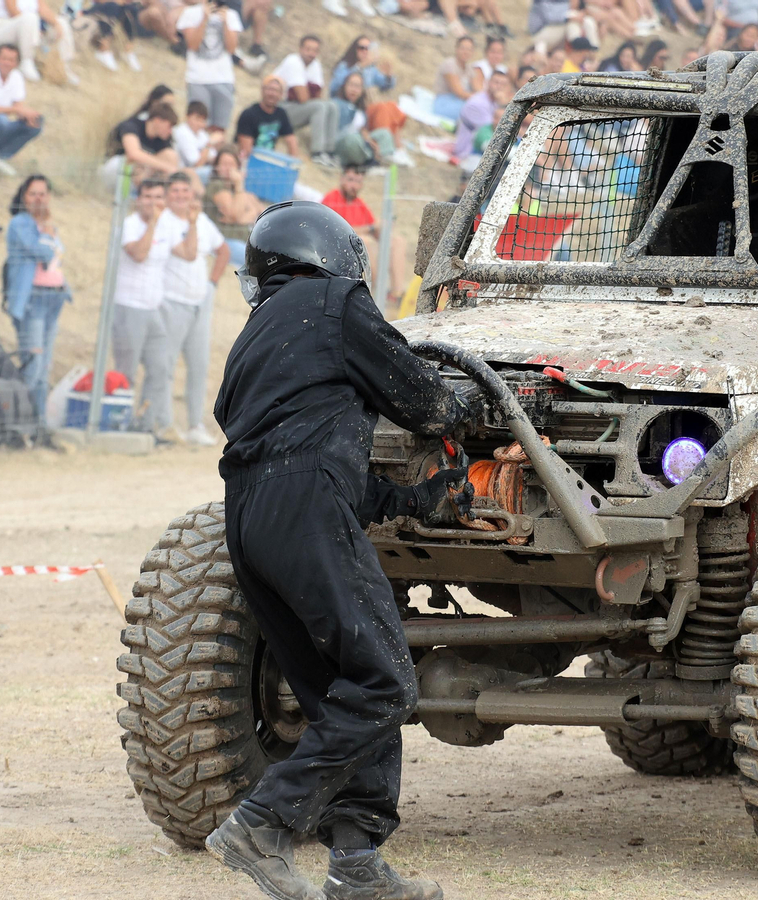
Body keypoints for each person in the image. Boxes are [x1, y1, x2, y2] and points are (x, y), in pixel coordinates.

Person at [203, 200, 478, 900]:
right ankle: (260, 823)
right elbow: (421, 398)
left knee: (342, 694)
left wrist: (417, 502)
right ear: (333, 259)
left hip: (251, 518)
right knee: (387, 683)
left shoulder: (254, 339)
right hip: (304, 508)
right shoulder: (334, 301)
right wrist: (475, 410)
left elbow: (317, 460)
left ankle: (356, 865)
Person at [158, 171, 226, 446]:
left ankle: (195, 423)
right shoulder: (163, 222)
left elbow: (222, 250)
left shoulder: (202, 220)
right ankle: (164, 422)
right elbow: (186, 252)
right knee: (166, 364)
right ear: (167, 194)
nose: (181, 197)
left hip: (200, 302)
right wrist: (194, 223)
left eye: (185, 192)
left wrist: (212, 284)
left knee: (198, 365)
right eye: (175, 191)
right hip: (172, 301)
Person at [111, 179, 174, 437]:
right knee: (127, 372)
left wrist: (192, 224)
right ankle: (119, 425)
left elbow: (188, 253)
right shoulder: (129, 225)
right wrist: (151, 224)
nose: (153, 202)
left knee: (160, 369)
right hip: (129, 306)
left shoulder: (166, 225)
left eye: (158, 196)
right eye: (148, 196)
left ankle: (145, 426)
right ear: (138, 199)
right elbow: (138, 254)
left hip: (154, 308)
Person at [5, 174, 69, 414]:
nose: (39, 199)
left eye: (43, 193)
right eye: (33, 194)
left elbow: (58, 256)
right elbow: (42, 252)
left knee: (45, 367)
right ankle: (21, 419)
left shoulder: (48, 225)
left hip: (53, 298)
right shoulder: (21, 223)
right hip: (32, 300)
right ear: (24, 197)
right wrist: (46, 229)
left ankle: (38, 423)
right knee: (33, 364)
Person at [323, 166, 409, 314]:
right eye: (350, 180)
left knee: (397, 241)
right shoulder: (331, 199)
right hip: (340, 249)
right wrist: (370, 228)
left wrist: (384, 226)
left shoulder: (359, 204)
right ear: (341, 179)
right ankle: (373, 291)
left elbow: (373, 228)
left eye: (358, 182)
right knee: (366, 241)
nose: (354, 186)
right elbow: (336, 229)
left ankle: (397, 294)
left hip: (365, 244)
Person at [0, 44, 45, 175]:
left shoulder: (17, 77)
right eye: (4, 58)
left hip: (2, 124)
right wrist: (15, 110)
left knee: (37, 121)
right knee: (0, 121)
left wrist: (26, 116)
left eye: (11, 60)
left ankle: (0, 156)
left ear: (16, 63)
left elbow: (18, 105)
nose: (7, 63)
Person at [273, 35, 340, 169]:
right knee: (319, 107)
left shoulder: (315, 65)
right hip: (279, 109)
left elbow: (318, 95)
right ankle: (318, 152)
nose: (311, 53)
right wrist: (310, 93)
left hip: (296, 107)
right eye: (308, 49)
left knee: (332, 106)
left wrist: (309, 93)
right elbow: (304, 97)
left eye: (315, 50)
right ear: (300, 49)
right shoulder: (293, 61)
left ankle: (329, 151)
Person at [178, 0, 241, 132]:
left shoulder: (231, 15)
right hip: (197, 79)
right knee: (197, 126)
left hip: (224, 79)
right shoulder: (190, 13)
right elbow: (193, 45)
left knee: (219, 128)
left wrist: (225, 23)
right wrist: (204, 19)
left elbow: (231, 49)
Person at [0, 0, 78, 85]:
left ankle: (63, 67)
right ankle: (27, 61)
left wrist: (56, 23)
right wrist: (36, 28)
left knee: (62, 22)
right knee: (30, 18)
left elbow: (43, 9)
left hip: (28, 28)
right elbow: (12, 11)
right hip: (2, 27)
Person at [204, 145, 261, 262]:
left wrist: (240, 218)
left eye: (231, 164)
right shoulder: (216, 185)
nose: (228, 168)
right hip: (226, 239)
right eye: (224, 164)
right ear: (216, 167)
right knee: (258, 261)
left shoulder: (237, 190)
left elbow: (259, 212)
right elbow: (234, 213)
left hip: (244, 237)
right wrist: (240, 184)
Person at [104, 101, 182, 181]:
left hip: (138, 173)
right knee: (140, 166)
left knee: (170, 155)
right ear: (157, 121)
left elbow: (170, 158)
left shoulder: (161, 138)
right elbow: (133, 154)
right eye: (169, 126)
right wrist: (166, 167)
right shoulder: (131, 126)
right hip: (115, 168)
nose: (170, 131)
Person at [235, 77, 299, 159]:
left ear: (281, 94)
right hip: (248, 159)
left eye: (276, 91)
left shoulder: (281, 114)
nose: (272, 94)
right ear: (262, 90)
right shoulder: (249, 114)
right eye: (269, 89)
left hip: (268, 158)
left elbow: (291, 140)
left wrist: (292, 164)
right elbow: (245, 149)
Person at [331, 35, 396, 98]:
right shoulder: (344, 65)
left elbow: (386, 86)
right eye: (362, 48)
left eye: (368, 48)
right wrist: (359, 67)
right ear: (355, 49)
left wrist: (388, 76)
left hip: (361, 106)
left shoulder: (370, 70)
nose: (365, 51)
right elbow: (335, 86)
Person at [433, 35, 479, 120]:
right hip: (444, 102)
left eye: (469, 49)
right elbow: (459, 92)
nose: (466, 52)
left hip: (460, 102)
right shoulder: (449, 64)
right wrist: (478, 98)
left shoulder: (469, 68)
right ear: (456, 49)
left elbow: (478, 88)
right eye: (463, 48)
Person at [174, 100, 217, 171]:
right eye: (197, 119)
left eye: (203, 120)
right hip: (183, 173)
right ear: (187, 117)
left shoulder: (202, 133)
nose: (200, 124)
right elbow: (197, 164)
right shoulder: (182, 132)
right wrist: (209, 144)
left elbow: (214, 158)